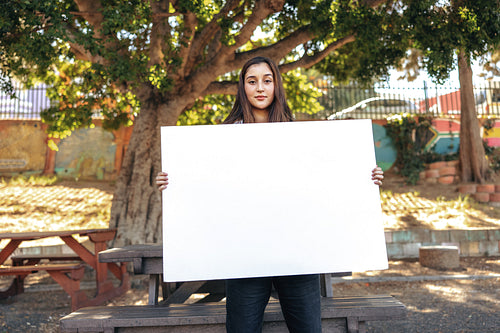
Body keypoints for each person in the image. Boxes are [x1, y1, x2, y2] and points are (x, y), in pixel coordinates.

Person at [156, 56, 384, 332]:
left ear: (276, 85)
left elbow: (325, 184)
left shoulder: (301, 135)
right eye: (252, 82)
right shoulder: (221, 140)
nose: (260, 88)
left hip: (298, 254)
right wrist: (174, 183)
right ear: (243, 88)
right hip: (245, 256)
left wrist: (364, 177)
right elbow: (206, 192)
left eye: (267, 80)